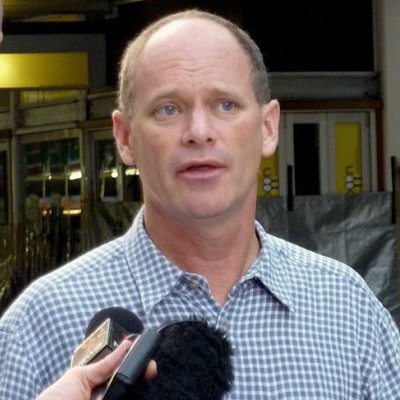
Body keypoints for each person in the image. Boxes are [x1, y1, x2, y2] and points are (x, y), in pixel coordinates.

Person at [1, 8, 400, 400]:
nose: (199, 132)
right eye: (168, 109)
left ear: (267, 127)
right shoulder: (38, 326)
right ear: (124, 138)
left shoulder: (348, 310)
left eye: (225, 105)